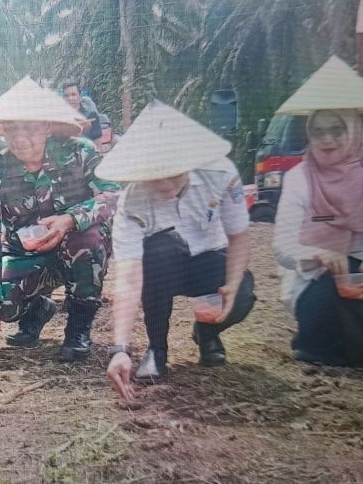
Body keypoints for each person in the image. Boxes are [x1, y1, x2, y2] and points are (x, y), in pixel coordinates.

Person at [100, 101, 256, 401]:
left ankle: (207, 333)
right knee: (158, 250)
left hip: (209, 260)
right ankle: (157, 348)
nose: (165, 183)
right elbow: (130, 278)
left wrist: (232, 287)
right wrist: (120, 349)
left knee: (244, 291)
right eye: (155, 174)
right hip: (163, 268)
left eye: (173, 172)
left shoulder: (220, 173)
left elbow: (239, 236)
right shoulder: (132, 201)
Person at [0, 77, 121, 361]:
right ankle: (37, 309)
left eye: (30, 126)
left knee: (87, 237)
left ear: (48, 127)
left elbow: (113, 194)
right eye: (12, 128)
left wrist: (69, 220)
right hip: (26, 257)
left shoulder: (80, 153)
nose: (20, 136)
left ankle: (78, 331)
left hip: (76, 251)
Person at [272, 57, 363, 366]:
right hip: (315, 278)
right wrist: (318, 254)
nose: (327, 140)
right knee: (334, 283)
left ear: (354, 130)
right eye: (318, 132)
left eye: (337, 130)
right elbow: (282, 248)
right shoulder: (299, 177)